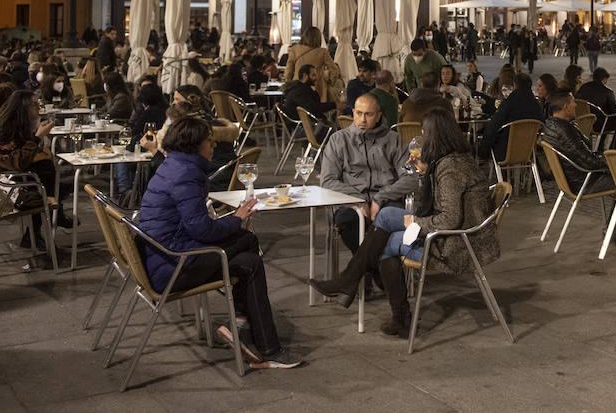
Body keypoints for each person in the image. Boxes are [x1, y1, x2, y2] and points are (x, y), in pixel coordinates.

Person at [314, 107, 498, 336]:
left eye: (425, 134)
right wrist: (424, 172)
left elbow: (450, 219)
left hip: (456, 244)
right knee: (385, 217)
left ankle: (387, 308)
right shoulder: (454, 160)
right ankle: (352, 284)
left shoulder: (450, 170)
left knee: (385, 244)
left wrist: (417, 223)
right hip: (459, 233)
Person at [137, 115, 301, 368]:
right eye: (209, 141)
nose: (214, 146)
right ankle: (257, 340)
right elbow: (201, 229)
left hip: (159, 256)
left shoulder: (173, 165)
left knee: (247, 259)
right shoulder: (186, 173)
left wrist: (234, 221)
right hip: (173, 265)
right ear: (194, 144)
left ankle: (247, 330)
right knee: (248, 247)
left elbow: (191, 224)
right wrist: (236, 219)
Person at [0, 90, 70, 254]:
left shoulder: (7, 125)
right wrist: (38, 137)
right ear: (21, 108)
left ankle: (53, 210)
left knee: (45, 168)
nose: (38, 107)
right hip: (1, 185)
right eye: (34, 104)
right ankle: (58, 204)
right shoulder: (5, 131)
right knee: (45, 177)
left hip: (0, 177)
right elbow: (17, 163)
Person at [318, 93, 417, 252]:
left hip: (387, 201)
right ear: (353, 113)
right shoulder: (338, 140)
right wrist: (359, 200)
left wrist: (380, 197)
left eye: (368, 114)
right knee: (349, 221)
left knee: (389, 221)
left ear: (378, 116)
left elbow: (411, 177)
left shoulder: (394, 140)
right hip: (351, 202)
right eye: (359, 113)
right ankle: (375, 269)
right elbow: (327, 181)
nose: (362, 119)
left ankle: (363, 269)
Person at [540, 90, 613, 199]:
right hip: (583, 182)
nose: (576, 105)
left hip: (569, 179)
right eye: (573, 102)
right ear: (566, 107)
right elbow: (586, 159)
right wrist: (612, 164)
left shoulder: (549, 125)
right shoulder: (565, 131)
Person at [476, 71, 543, 162]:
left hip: (505, 151)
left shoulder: (509, 103)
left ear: (515, 85)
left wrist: (483, 150)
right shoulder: (537, 106)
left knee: (490, 134)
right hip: (529, 151)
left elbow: (494, 126)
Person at [575, 67, 616, 143]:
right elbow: (615, 112)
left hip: (582, 122)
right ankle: (607, 147)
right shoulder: (607, 91)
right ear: (604, 79)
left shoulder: (583, 87)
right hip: (599, 124)